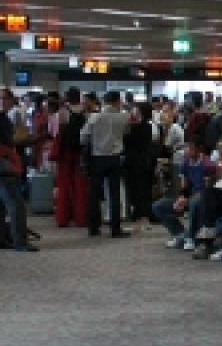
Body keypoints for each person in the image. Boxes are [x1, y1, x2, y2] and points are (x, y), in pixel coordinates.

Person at [0, 88, 37, 252]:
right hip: (1, 163)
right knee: (16, 204)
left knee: (0, 205)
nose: (2, 101)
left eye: (5, 98)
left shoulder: (4, 118)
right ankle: (20, 242)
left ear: (12, 100)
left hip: (4, 161)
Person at [81, 90, 131, 238]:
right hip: (115, 158)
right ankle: (115, 229)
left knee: (94, 194)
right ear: (117, 101)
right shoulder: (124, 117)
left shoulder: (94, 117)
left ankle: (93, 227)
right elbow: (127, 132)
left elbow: (83, 137)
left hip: (97, 158)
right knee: (114, 194)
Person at [152, 140, 218, 250]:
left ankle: (191, 237)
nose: (187, 151)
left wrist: (188, 199)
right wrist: (181, 199)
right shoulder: (186, 163)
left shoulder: (208, 165)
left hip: (205, 199)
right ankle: (179, 234)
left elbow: (207, 191)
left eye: (190, 148)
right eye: (186, 148)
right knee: (159, 206)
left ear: (198, 149)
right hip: (191, 197)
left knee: (194, 203)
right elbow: (185, 187)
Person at [50, 88, 89, 228]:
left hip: (65, 152)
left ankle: (63, 218)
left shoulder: (63, 111)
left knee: (64, 184)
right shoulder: (86, 111)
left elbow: (56, 132)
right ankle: (81, 217)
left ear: (67, 97)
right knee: (81, 185)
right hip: (81, 151)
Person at [123, 102, 157, 224]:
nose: (133, 112)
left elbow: (129, 141)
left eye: (135, 110)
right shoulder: (149, 126)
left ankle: (141, 212)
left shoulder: (137, 127)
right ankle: (143, 212)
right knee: (142, 188)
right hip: (144, 160)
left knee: (139, 188)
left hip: (136, 161)